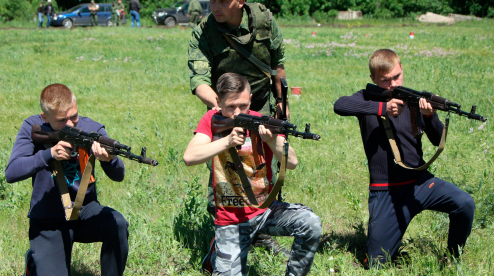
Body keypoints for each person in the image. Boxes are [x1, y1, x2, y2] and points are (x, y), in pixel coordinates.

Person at [333, 49, 475, 267]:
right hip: (386, 191)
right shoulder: (366, 98)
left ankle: (453, 258)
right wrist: (382, 108)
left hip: (420, 183)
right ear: (373, 79)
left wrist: (430, 116)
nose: (393, 84)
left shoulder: (415, 100)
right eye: (385, 80)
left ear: (402, 70)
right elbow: (340, 105)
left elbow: (437, 140)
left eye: (397, 77)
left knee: (465, 202)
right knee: (376, 264)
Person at [183, 73, 321, 275]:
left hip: (265, 210)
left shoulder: (262, 122)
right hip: (231, 219)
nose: (237, 112)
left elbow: (291, 162)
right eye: (230, 107)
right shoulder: (211, 120)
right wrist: (227, 142)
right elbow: (190, 157)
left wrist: (272, 140)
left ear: (251, 99)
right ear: (218, 102)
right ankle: (217, 251)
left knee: (310, 223)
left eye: (243, 105)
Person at [188, 0, 290, 256]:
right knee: (224, 166)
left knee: (265, 168)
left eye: (223, 1)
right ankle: (224, 232)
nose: (215, 6)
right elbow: (199, 78)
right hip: (223, 104)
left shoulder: (264, 21)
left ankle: (262, 232)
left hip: (261, 105)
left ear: (241, 2)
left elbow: (278, 64)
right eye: (212, 0)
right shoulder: (205, 31)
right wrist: (223, 109)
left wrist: (281, 101)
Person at [5, 84, 129, 276]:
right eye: (62, 120)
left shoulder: (92, 129)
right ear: (45, 117)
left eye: (74, 116)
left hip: (84, 211)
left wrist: (109, 160)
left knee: (117, 223)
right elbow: (11, 172)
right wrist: (49, 154)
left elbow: (119, 175)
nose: (71, 124)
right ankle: (34, 261)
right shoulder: (33, 127)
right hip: (48, 218)